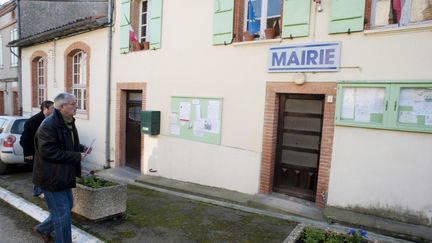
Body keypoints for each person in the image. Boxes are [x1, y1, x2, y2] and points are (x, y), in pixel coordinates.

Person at [32, 93, 89, 243]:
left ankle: (43, 229)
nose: (76, 106)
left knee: (67, 206)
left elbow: (66, 144)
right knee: (62, 214)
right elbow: (49, 152)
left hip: (63, 174)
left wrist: (81, 148)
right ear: (62, 106)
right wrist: (77, 156)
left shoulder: (68, 121)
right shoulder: (48, 125)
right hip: (51, 176)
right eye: (73, 103)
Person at [20, 100, 54, 198]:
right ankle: (38, 191)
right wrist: (27, 152)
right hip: (35, 151)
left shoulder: (48, 119)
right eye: (52, 108)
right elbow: (24, 138)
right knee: (39, 171)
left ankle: (41, 190)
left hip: (43, 150)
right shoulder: (34, 121)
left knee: (43, 170)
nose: (54, 110)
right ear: (45, 108)